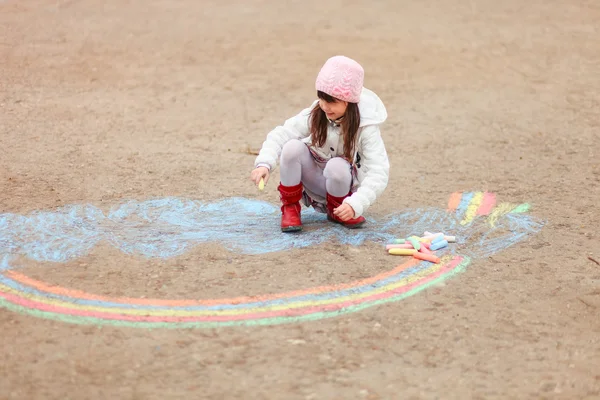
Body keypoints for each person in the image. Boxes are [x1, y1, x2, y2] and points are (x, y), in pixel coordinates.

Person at [250, 55, 390, 232]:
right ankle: (290, 207)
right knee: (292, 148)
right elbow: (282, 133)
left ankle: (337, 210)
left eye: (331, 101)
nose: (324, 106)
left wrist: (356, 203)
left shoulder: (366, 127)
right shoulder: (317, 113)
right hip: (315, 179)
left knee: (337, 166)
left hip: (342, 185)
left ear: (349, 102)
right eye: (321, 98)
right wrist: (264, 163)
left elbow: (379, 171)